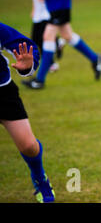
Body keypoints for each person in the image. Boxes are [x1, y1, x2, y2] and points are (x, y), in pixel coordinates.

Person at [0, 22, 55, 203]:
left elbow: (28, 48)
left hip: (3, 93)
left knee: (29, 146)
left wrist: (28, 66)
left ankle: (40, 179)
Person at [29, 0, 65, 73]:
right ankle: (57, 42)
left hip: (46, 13)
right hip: (38, 14)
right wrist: (34, 9)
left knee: (40, 39)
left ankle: (51, 63)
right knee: (37, 39)